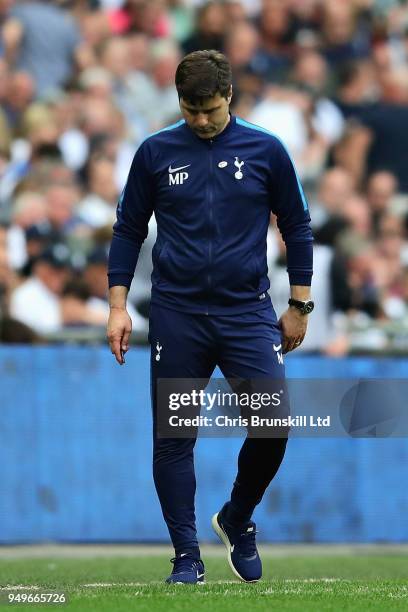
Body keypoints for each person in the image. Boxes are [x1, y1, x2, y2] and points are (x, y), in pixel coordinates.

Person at [107, 50, 313, 584]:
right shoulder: (155, 152)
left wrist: (299, 304)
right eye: (190, 109)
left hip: (246, 313)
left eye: (210, 110)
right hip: (177, 315)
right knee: (174, 437)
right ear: (179, 103)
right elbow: (128, 229)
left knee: (272, 427)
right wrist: (117, 305)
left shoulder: (266, 150)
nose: (200, 120)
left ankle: (236, 517)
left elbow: (297, 225)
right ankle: (185, 556)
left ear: (230, 99)